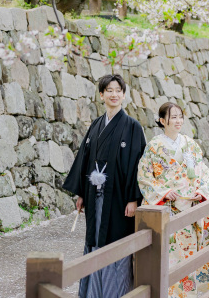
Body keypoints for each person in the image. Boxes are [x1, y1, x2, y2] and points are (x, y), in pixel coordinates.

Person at [63, 74, 147, 298]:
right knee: (95, 238)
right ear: (101, 95)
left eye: (118, 90)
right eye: (109, 90)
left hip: (119, 197)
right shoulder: (97, 125)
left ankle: (115, 293)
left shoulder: (132, 127)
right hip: (95, 196)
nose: (114, 94)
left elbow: (138, 164)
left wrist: (133, 198)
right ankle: (92, 293)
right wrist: (81, 193)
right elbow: (85, 159)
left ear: (123, 95)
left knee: (115, 240)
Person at [137, 102, 209, 298]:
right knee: (170, 256)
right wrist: (163, 192)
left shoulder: (190, 144)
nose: (178, 121)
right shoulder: (154, 146)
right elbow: (144, 176)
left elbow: (202, 170)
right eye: (173, 117)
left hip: (190, 207)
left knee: (190, 254)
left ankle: (192, 293)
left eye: (180, 116)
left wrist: (201, 191)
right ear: (162, 121)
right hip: (167, 207)